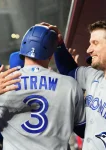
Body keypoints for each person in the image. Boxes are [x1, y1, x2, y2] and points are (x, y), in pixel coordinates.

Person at [0, 25, 85, 150]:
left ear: (22, 51)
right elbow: (82, 129)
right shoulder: (70, 84)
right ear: (51, 55)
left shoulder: (1, 80)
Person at [41, 20, 106, 150]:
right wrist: (59, 45)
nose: (89, 49)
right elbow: (69, 71)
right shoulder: (93, 76)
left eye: (95, 43)